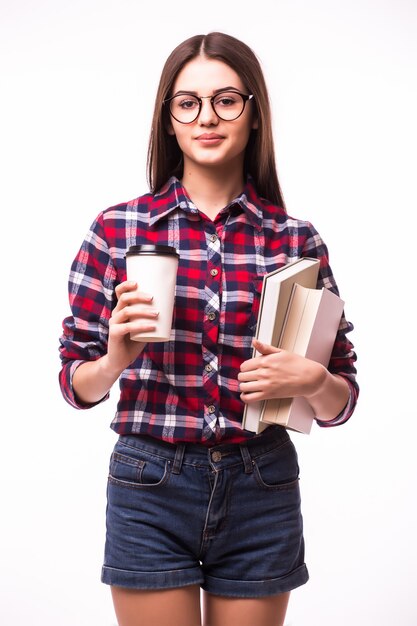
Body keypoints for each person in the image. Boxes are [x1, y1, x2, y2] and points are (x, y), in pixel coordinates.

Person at [59, 32, 358, 626]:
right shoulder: (117, 231)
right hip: (151, 484)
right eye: (187, 102)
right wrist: (116, 357)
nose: (206, 118)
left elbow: (340, 400)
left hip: (261, 483)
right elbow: (76, 385)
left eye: (226, 100)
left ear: (253, 114)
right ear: (168, 120)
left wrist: (312, 377)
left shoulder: (294, 241)